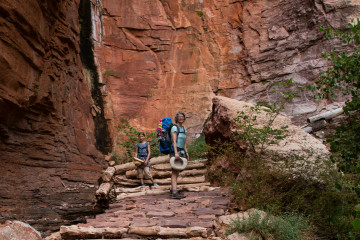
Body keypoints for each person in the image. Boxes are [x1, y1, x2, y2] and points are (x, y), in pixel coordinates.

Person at [170, 111, 189, 199]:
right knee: (175, 171)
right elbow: (174, 142)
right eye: (179, 116)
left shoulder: (183, 129)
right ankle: (174, 192)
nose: (181, 118)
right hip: (175, 152)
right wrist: (176, 153)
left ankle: (172, 190)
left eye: (182, 116)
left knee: (177, 172)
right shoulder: (174, 128)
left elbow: (184, 142)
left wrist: (186, 152)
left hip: (181, 151)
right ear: (176, 118)